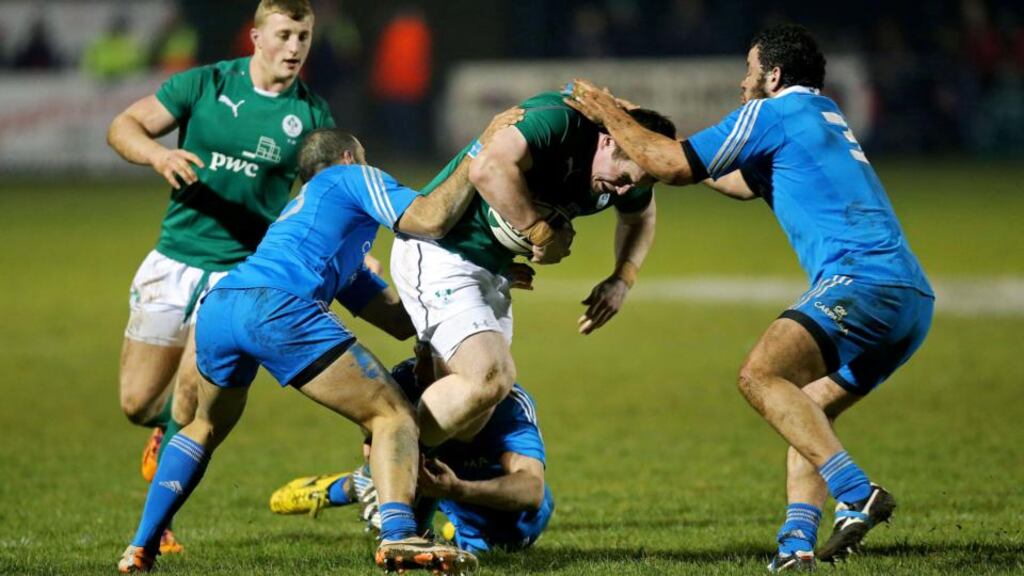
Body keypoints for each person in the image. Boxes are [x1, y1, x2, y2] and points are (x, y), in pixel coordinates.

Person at [563, 23, 934, 572]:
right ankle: (796, 545)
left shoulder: (774, 113)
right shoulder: (819, 115)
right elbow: (726, 178)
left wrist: (610, 117)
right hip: (911, 298)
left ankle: (856, 493)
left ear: (774, 75)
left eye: (749, 69)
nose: (742, 82)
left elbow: (676, 166)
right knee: (805, 412)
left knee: (759, 376)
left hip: (862, 282)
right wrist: (641, 126)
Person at [115, 107, 523, 574]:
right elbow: (429, 217)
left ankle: (140, 548)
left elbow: (398, 319)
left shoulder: (309, 226)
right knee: (392, 415)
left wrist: (483, 277)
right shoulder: (349, 178)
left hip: (224, 305)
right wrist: (481, 149)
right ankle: (398, 536)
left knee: (202, 428)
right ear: (350, 157)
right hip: (277, 307)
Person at [106, 0, 333, 552]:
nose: (295, 47)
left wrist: (343, 254)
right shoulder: (205, 85)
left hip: (240, 278)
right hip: (174, 260)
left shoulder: (311, 115)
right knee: (138, 403)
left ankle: (157, 528)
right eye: (284, 34)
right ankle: (162, 429)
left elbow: (326, 197)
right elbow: (123, 125)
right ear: (255, 37)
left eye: (303, 36)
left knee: (191, 402)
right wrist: (158, 158)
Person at [389, 91, 675, 466]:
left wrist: (622, 277)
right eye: (622, 179)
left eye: (633, 185)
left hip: (493, 271)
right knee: (490, 377)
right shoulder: (558, 122)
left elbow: (639, 217)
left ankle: (400, 470)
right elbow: (486, 168)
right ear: (608, 139)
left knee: (470, 421)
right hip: (442, 252)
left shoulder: (630, 167)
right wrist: (540, 232)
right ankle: (380, 468)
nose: (623, 191)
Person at [269, 349, 555, 555]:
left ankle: (355, 485)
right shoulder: (409, 377)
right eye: (419, 353)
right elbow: (375, 443)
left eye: (430, 361)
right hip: (434, 480)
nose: (418, 369)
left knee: (506, 543)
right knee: (402, 525)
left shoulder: (509, 404)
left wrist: (458, 489)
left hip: (480, 496)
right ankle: (351, 486)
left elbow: (531, 490)